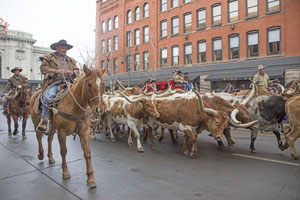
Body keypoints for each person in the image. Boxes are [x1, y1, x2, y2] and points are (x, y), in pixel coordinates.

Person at [36, 39, 79, 133]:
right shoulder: (48, 57)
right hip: (54, 82)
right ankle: (44, 120)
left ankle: (84, 118)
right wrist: (56, 71)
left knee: (81, 95)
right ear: (57, 48)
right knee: (48, 97)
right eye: (62, 48)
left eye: (66, 48)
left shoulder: (71, 60)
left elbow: (77, 70)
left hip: (69, 83)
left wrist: (72, 72)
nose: (64, 50)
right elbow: (43, 68)